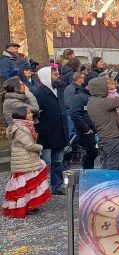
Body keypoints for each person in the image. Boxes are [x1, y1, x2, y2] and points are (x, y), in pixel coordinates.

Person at [3, 106, 51, 218]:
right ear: (22, 115)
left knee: (29, 184)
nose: (31, 115)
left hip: (26, 159)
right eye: (29, 113)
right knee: (24, 186)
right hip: (23, 160)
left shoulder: (25, 126)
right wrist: (40, 147)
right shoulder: (21, 129)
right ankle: (23, 207)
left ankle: (29, 205)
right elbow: (29, 145)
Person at [32, 66, 69, 194]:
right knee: (45, 163)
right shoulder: (38, 94)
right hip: (45, 135)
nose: (58, 76)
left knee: (58, 162)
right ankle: (42, 188)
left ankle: (57, 186)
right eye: (55, 74)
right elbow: (35, 115)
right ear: (47, 76)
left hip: (59, 133)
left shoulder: (59, 90)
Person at [69, 76, 98, 169]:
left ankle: (89, 173)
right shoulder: (79, 97)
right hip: (85, 131)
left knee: (93, 153)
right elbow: (75, 114)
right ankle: (86, 174)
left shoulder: (91, 96)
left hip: (92, 130)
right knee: (91, 153)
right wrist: (86, 128)